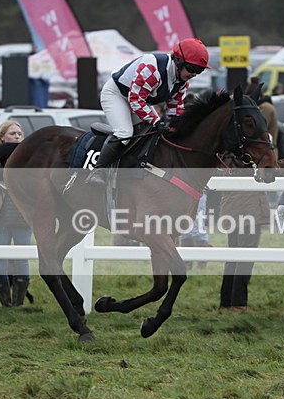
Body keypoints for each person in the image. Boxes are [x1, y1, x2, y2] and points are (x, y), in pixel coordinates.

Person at [91, 38, 210, 184]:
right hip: (117, 95)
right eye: (192, 69)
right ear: (178, 61)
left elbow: (175, 110)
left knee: (150, 133)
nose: (194, 74)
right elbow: (135, 100)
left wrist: (176, 127)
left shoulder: (182, 84)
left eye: (199, 70)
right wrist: (157, 121)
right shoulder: (152, 69)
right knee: (125, 133)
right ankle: (98, 171)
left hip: (138, 100)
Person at [0, 121, 32, 307]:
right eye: (13, 133)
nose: (17, 136)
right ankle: (5, 304)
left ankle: (18, 303)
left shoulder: (30, 157)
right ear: (3, 136)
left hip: (22, 215)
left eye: (19, 134)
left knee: (22, 258)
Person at [218, 176, 271, 312]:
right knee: (245, 257)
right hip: (250, 208)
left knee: (233, 257)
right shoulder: (251, 157)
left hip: (230, 207)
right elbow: (268, 169)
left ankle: (226, 302)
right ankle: (238, 303)